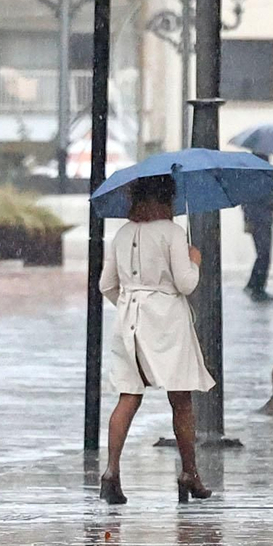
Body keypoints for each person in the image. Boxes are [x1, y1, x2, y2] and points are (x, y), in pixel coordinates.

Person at [96, 174, 215, 506]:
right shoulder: (173, 233)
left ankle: (111, 472)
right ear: (167, 199)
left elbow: (107, 284)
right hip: (166, 322)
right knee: (181, 399)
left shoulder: (121, 234)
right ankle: (189, 473)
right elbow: (186, 283)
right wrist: (194, 260)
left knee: (128, 396)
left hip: (128, 322)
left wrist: (130, 301)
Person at [241, 153, 273, 303]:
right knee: (264, 255)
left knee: (262, 254)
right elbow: (255, 200)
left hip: (262, 221)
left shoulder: (255, 178)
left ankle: (253, 284)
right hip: (260, 222)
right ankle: (257, 288)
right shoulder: (256, 179)